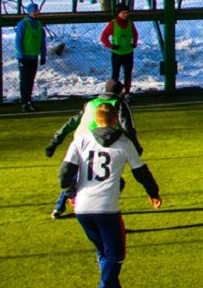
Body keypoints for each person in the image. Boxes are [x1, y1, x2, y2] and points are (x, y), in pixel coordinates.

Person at [58, 103, 162, 288]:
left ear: (96, 120)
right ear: (116, 120)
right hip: (107, 209)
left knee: (103, 253)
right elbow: (141, 172)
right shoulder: (124, 143)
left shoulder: (81, 140)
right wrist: (153, 193)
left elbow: (65, 171)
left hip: (83, 209)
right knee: (116, 256)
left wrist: (70, 192)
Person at [46, 78, 141, 219]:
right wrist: (136, 148)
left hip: (79, 143)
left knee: (74, 174)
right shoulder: (119, 104)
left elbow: (71, 123)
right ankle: (103, 207)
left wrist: (55, 142)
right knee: (111, 179)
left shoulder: (91, 103)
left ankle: (59, 207)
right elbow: (128, 128)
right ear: (121, 91)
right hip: (99, 144)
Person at [14, 3, 50, 112]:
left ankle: (29, 100)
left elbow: (42, 42)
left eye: (37, 10)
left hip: (33, 57)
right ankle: (24, 102)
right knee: (24, 80)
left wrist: (43, 55)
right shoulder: (23, 24)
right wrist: (20, 54)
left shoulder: (39, 24)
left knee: (30, 80)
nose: (36, 12)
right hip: (24, 57)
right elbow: (18, 40)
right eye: (34, 10)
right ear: (29, 11)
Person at [99, 6, 138, 91]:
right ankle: (114, 92)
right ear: (118, 13)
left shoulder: (130, 23)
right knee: (115, 75)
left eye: (127, 13)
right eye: (123, 13)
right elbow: (103, 37)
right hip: (117, 53)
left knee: (128, 74)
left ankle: (127, 92)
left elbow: (135, 33)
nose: (125, 15)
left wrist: (134, 43)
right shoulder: (113, 23)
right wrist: (111, 46)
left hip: (128, 52)